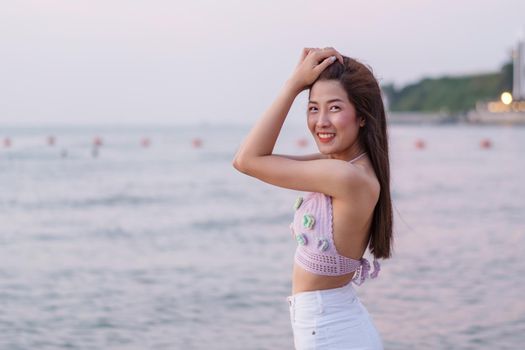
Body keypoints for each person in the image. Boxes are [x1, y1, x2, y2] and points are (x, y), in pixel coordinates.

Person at [232, 47, 393, 350]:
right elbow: (251, 158)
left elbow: (246, 160)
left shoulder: (346, 177)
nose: (320, 121)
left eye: (334, 108)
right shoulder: (341, 168)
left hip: (331, 333)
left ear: (361, 116)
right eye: (313, 108)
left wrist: (293, 85)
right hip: (332, 327)